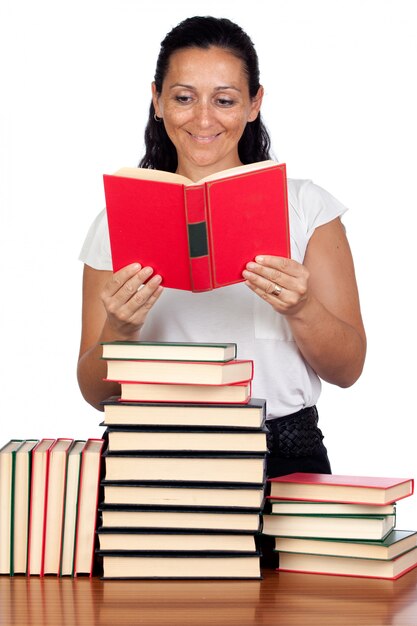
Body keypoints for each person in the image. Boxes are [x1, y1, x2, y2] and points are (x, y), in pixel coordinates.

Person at [77, 16, 366, 480]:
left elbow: (349, 368)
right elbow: (94, 390)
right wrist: (120, 327)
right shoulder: (115, 221)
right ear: (157, 101)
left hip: (282, 454)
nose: (204, 118)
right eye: (184, 97)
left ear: (254, 104)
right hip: (149, 459)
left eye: (225, 100)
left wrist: (303, 307)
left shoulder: (307, 207)